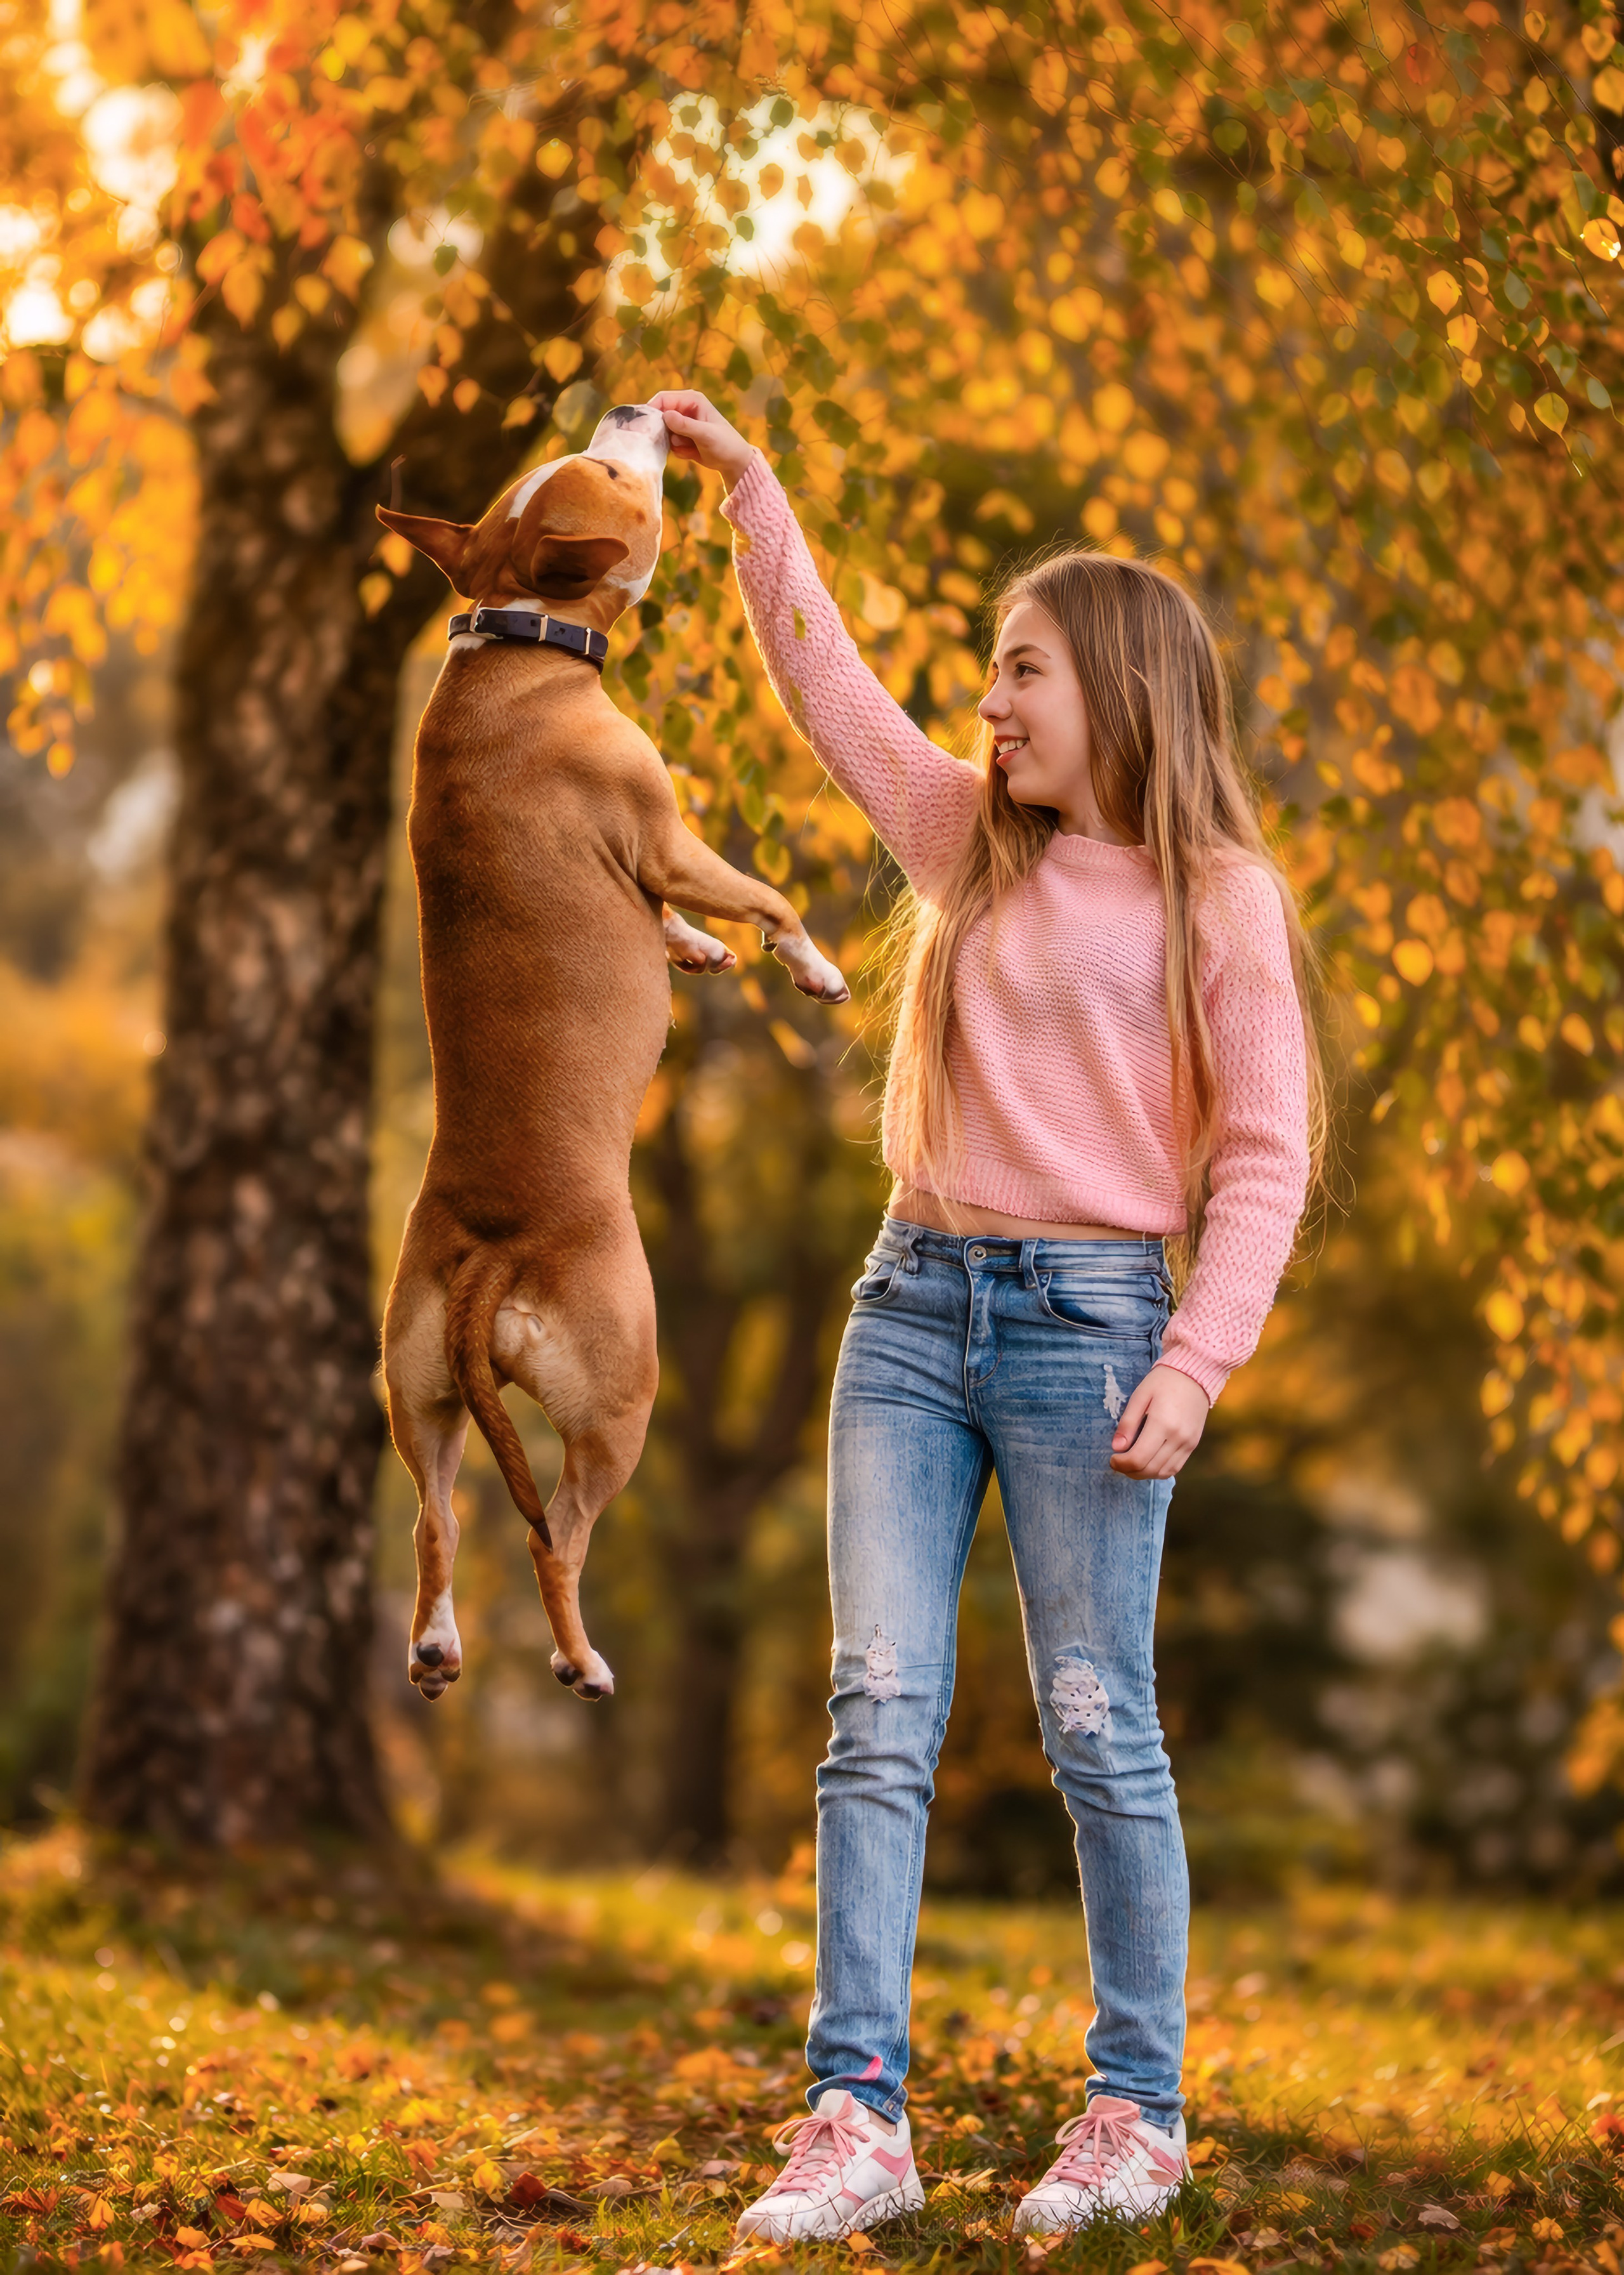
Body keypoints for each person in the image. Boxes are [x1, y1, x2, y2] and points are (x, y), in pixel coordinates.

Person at [652, 389, 1321, 2240]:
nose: (993, 702)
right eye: (991, 671)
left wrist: (1198, 1366)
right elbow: (830, 692)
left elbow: (1262, 1156)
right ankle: (855, 2115)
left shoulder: (1220, 896)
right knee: (877, 1709)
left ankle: (1138, 2113)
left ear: (1119, 684)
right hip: (908, 1301)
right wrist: (756, 496)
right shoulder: (975, 842)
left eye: (1023, 670)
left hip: (1095, 1329)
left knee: (1101, 1723)